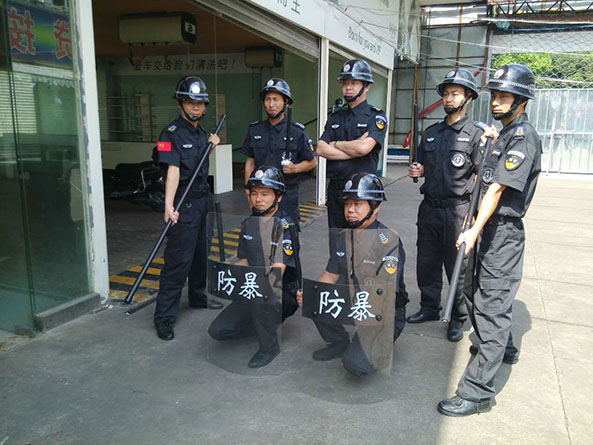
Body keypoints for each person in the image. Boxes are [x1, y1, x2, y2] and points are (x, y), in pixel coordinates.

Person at [438, 63, 541, 416]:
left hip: (502, 234)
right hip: (487, 229)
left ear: (521, 101)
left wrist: (473, 229)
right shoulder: (504, 134)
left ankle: (477, 392)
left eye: (504, 96)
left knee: (492, 306)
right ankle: (501, 347)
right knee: (475, 292)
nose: (496, 101)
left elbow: (497, 188)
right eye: (494, 95)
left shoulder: (523, 137)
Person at [296, 173, 409, 377]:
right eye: (347, 204)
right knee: (316, 297)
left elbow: (384, 294)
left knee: (355, 364)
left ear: (376, 206)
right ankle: (339, 342)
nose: (350, 210)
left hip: (383, 311)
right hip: (356, 301)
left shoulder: (388, 242)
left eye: (358, 204)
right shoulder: (343, 237)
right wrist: (311, 295)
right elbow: (330, 275)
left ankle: (380, 344)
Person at [406, 68, 484, 342]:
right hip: (429, 208)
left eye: (455, 94)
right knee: (427, 261)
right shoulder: (431, 133)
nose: (449, 99)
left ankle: (458, 317)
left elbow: (481, 176)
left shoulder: (476, 135)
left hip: (458, 210)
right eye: (446, 94)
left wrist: (473, 216)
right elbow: (423, 165)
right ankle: (429, 307)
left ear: (468, 98)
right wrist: (418, 171)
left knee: (458, 267)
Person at [153, 76, 224, 341]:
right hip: (184, 204)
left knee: (201, 255)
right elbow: (173, 170)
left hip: (203, 202)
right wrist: (169, 206)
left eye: (200, 103)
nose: (196, 107)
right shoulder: (170, 134)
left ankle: (197, 297)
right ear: (180, 103)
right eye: (191, 102)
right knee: (178, 260)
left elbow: (199, 164)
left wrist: (212, 146)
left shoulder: (201, 134)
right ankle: (164, 318)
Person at [208, 166, 300, 368]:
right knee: (218, 330)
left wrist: (256, 287)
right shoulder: (249, 223)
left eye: (265, 194)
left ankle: (270, 347)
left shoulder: (286, 225)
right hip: (254, 286)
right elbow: (244, 260)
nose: (258, 199)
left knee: (262, 298)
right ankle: (261, 326)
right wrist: (228, 269)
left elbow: (278, 269)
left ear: (278, 197)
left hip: (280, 291)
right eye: (254, 193)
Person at [317, 60, 388, 240]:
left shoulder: (375, 116)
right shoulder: (336, 117)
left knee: (362, 244)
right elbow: (321, 149)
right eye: (345, 83)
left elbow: (364, 148)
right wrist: (353, 147)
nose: (348, 87)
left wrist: (336, 144)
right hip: (337, 191)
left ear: (367, 86)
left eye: (354, 83)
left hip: (361, 194)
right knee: (337, 244)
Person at [241, 78, 317, 223]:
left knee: (288, 233)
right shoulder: (255, 130)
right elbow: (250, 162)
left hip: (287, 196)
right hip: (262, 195)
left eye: (276, 99)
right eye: (268, 99)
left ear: (285, 102)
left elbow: (312, 161)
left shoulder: (297, 131)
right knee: (261, 233)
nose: (271, 104)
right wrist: (249, 191)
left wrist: (295, 168)